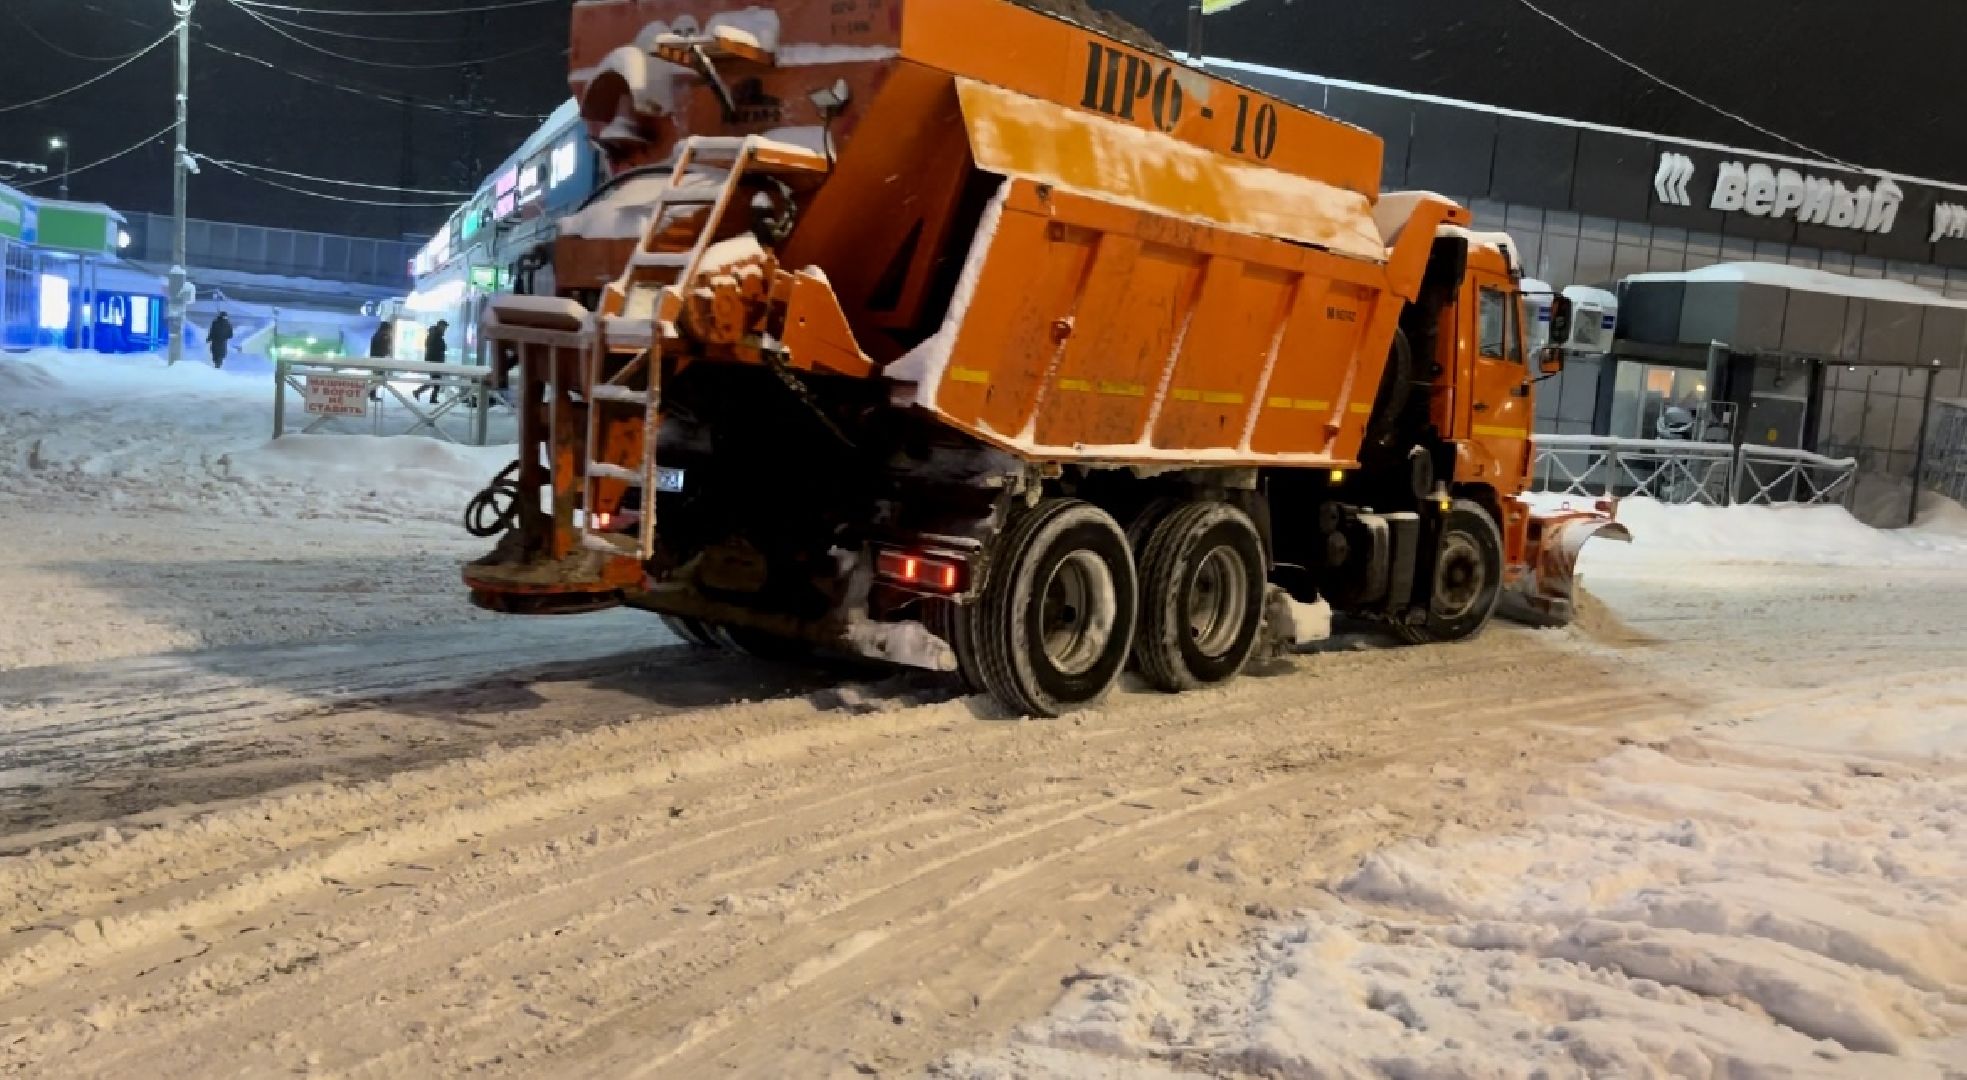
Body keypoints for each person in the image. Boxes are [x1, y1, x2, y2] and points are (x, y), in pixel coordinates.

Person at [416, 320, 449, 403]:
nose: (445, 329)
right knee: (436, 381)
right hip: (434, 362)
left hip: (434, 362)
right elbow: (436, 349)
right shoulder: (435, 336)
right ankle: (427, 396)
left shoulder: (434, 335)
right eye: (444, 327)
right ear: (440, 326)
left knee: (434, 381)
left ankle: (421, 393)